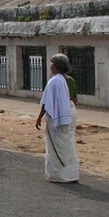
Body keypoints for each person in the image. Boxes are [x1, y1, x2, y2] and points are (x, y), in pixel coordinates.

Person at [35, 54, 80, 183]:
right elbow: (75, 99)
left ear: (56, 66)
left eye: (52, 63)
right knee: (68, 142)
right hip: (70, 113)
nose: (50, 66)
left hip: (57, 114)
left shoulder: (54, 81)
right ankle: (71, 173)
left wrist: (39, 118)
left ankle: (59, 174)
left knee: (57, 144)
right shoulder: (70, 80)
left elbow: (46, 103)